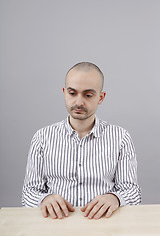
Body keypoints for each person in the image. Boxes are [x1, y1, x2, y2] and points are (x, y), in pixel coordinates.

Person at [22, 62, 141, 220]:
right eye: (72, 93)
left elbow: (133, 192)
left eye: (88, 95)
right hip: (55, 225)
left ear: (101, 97)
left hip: (105, 226)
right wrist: (43, 199)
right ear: (64, 92)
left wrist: (115, 198)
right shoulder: (42, 138)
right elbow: (29, 193)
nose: (79, 102)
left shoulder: (120, 137)